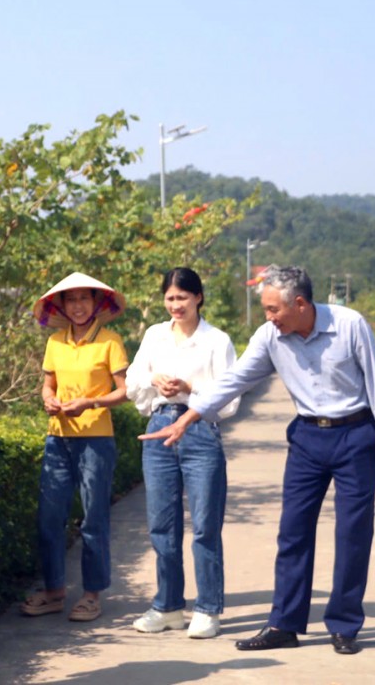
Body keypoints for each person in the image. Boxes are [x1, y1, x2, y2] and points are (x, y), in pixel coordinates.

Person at [142, 265, 375, 655]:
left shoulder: (349, 325)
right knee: (293, 532)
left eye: (272, 310)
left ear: (299, 304)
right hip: (307, 440)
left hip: (355, 434)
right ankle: (284, 623)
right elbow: (234, 380)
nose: (268, 318)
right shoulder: (270, 337)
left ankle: (344, 624)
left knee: (353, 532)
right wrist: (188, 417)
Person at [126, 267, 239, 639]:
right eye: (170, 298)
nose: (176, 305)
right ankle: (168, 605)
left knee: (205, 525)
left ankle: (208, 608)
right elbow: (132, 382)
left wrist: (190, 386)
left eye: (183, 298)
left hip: (200, 432)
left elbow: (230, 398)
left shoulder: (216, 340)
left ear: (199, 298)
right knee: (162, 525)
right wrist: (153, 380)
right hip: (158, 429)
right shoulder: (155, 335)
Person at [21, 272, 129, 623]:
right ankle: (54, 592)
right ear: (62, 306)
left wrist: (90, 402)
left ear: (97, 303)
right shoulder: (55, 342)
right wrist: (49, 399)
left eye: (85, 298)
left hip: (96, 440)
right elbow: (47, 384)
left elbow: (124, 391)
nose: (79, 306)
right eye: (71, 299)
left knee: (93, 518)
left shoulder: (110, 341)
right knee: (49, 518)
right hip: (58, 438)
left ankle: (92, 595)